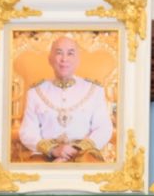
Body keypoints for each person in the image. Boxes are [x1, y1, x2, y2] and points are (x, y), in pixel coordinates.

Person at [16, 34, 112, 163]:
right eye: (59, 53)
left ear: (78, 60)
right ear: (50, 59)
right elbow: (27, 132)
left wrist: (76, 150)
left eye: (70, 53)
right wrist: (53, 150)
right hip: (45, 158)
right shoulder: (35, 92)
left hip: (84, 157)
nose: (64, 59)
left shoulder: (94, 90)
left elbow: (103, 128)